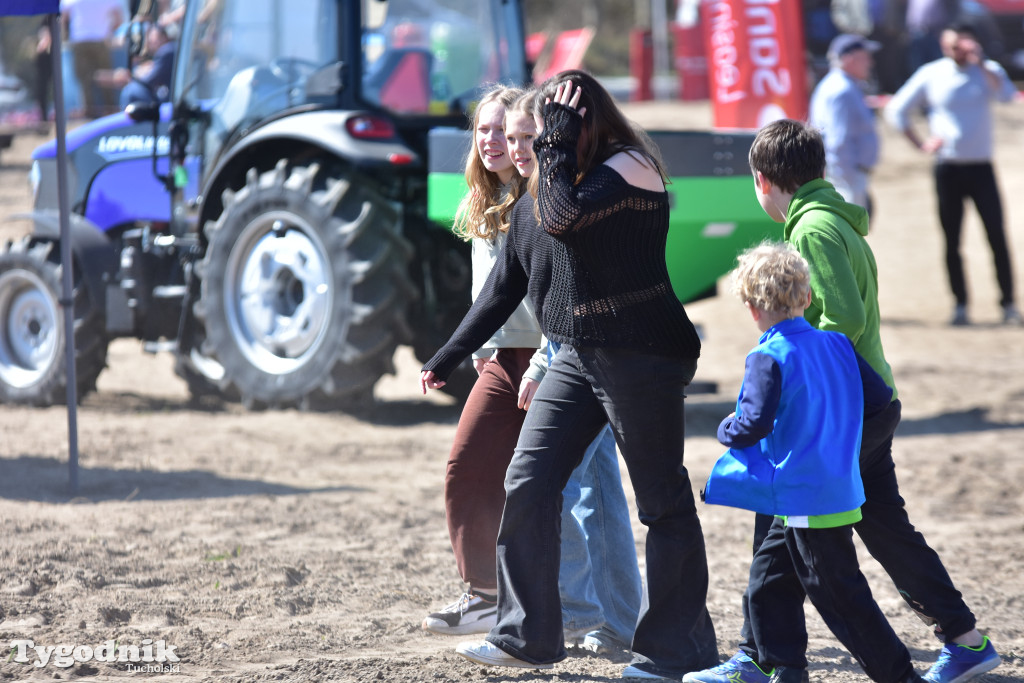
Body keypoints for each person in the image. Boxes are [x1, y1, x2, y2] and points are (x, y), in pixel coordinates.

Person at [684, 119, 1000, 683]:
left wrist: (804, 375)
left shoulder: (812, 230)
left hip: (844, 407)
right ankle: (965, 639)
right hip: (867, 399)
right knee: (880, 531)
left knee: (787, 528)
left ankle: (765, 659)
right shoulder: (836, 218)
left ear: (763, 180)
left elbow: (844, 319)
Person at [448, 70, 718, 680]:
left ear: (583, 122)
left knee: (662, 504)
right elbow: (525, 267)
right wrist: (447, 355)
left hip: (643, 352)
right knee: (530, 479)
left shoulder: (629, 167)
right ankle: (528, 635)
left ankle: (677, 650)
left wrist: (554, 146)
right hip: (578, 351)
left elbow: (562, 218)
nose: (539, 140)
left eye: (551, 125)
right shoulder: (564, 174)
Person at [420, 90, 643, 654]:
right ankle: (517, 601)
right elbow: (496, 292)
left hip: (566, 355)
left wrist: (545, 360)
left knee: (579, 489)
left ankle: (598, 617)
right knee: (505, 474)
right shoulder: (489, 196)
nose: (501, 143)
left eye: (517, 135)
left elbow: (562, 291)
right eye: (490, 131)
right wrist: (468, 350)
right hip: (515, 357)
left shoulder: (550, 196)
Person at [703, 241, 925, 683]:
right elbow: (881, 403)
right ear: (806, 297)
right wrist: (838, 441)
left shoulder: (767, 356)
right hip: (832, 488)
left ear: (751, 309)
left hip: (805, 498)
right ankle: (783, 667)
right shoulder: (839, 344)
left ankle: (901, 677)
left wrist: (725, 427)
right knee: (766, 582)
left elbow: (751, 426)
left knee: (842, 598)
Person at [886, 22, 1021, 326]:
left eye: (959, 45)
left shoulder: (987, 71)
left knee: (996, 236)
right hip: (948, 167)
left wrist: (982, 62)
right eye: (949, 46)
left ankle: (1009, 303)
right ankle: (960, 304)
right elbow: (897, 109)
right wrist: (921, 142)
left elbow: (1006, 96)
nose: (954, 51)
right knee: (952, 240)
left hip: (981, 166)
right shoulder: (933, 73)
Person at [809, 33, 880, 214]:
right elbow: (837, 140)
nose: (870, 63)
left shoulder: (844, 85)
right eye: (865, 57)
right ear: (849, 58)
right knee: (849, 235)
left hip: (847, 175)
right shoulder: (841, 90)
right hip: (845, 177)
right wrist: (849, 181)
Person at [61, 0, 126, 118]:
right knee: (105, 75)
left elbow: (63, 17)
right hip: (100, 39)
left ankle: (89, 109)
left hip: (80, 40)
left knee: (85, 77)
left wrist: (66, 34)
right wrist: (108, 30)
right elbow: (119, 17)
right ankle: (109, 108)